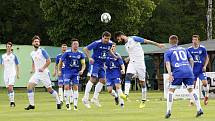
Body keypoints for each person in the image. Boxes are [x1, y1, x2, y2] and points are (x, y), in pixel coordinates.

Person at [114, 31, 164, 108]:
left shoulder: (134, 38)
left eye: (118, 39)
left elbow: (146, 41)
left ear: (121, 36)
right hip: (132, 63)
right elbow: (133, 53)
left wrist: (158, 44)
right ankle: (126, 95)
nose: (118, 41)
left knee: (142, 82)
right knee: (128, 76)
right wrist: (128, 58)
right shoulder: (126, 45)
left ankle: (143, 100)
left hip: (140, 63)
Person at [164, 35, 203, 118]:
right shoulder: (184, 49)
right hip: (188, 71)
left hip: (178, 72)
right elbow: (191, 60)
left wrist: (170, 74)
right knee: (191, 90)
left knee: (171, 91)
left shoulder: (168, 52)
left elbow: (167, 63)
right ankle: (199, 109)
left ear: (170, 42)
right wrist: (191, 70)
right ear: (177, 41)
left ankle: (168, 111)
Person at [25, 35, 61, 110]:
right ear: (32, 43)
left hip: (44, 73)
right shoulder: (32, 53)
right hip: (37, 74)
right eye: (35, 41)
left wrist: (43, 68)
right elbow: (33, 61)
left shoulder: (42, 51)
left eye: (38, 41)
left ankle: (58, 102)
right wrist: (33, 69)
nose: (37, 43)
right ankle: (32, 105)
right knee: (29, 86)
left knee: (50, 90)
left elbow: (49, 61)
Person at [82, 31, 116, 108]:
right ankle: (85, 98)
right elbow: (85, 49)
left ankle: (94, 98)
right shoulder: (96, 43)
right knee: (93, 79)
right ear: (102, 37)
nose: (106, 40)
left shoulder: (110, 44)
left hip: (102, 64)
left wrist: (114, 56)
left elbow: (109, 50)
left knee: (103, 80)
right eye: (105, 38)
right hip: (95, 63)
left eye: (108, 38)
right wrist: (89, 57)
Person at [58, 38, 86, 110]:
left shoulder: (81, 54)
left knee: (75, 87)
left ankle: (75, 105)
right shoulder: (67, 53)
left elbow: (83, 64)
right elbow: (60, 62)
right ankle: (67, 103)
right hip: (67, 72)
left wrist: (82, 70)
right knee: (66, 87)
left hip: (75, 73)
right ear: (71, 45)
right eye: (74, 44)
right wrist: (59, 70)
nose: (76, 45)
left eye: (77, 44)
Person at [187, 35, 209, 105]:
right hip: (193, 71)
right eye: (193, 40)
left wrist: (205, 66)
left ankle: (206, 96)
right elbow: (187, 59)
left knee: (205, 83)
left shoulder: (202, 48)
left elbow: (207, 58)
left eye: (196, 40)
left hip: (201, 70)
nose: (194, 41)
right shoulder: (189, 49)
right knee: (192, 86)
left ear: (198, 41)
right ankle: (191, 100)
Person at [105, 43, 127, 108]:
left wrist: (123, 70)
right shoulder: (107, 56)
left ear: (115, 47)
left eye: (114, 46)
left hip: (116, 73)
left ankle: (122, 103)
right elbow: (104, 65)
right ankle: (116, 96)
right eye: (111, 46)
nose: (112, 48)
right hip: (109, 75)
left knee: (118, 87)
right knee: (109, 90)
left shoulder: (118, 55)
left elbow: (122, 64)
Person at [0, 42, 19, 107]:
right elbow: (1, 65)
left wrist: (17, 73)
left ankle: (12, 102)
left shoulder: (14, 56)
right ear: (6, 47)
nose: (8, 48)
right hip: (6, 74)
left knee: (11, 87)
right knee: (8, 88)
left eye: (9, 46)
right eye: (7, 46)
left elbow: (17, 65)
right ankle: (11, 101)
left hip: (12, 73)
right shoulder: (3, 56)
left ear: (11, 47)